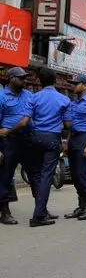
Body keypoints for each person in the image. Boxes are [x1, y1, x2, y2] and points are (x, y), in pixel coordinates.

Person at [21, 67, 71, 227]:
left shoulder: (33, 98)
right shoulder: (64, 99)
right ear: (55, 80)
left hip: (34, 137)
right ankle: (38, 216)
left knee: (36, 175)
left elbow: (26, 121)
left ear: (39, 81)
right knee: (46, 177)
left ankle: (42, 210)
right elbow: (68, 124)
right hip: (51, 139)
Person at [62, 75, 86, 221]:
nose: (73, 86)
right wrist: (67, 142)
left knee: (83, 173)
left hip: (85, 138)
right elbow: (71, 127)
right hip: (74, 138)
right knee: (74, 174)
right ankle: (81, 206)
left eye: (76, 84)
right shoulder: (73, 103)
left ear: (85, 86)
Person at [0, 67, 34, 226]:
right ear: (11, 78)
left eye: (25, 78)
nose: (24, 81)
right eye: (21, 78)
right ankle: (5, 212)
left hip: (28, 140)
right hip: (9, 141)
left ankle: (41, 210)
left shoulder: (29, 95)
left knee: (35, 174)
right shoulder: (1, 96)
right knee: (5, 176)